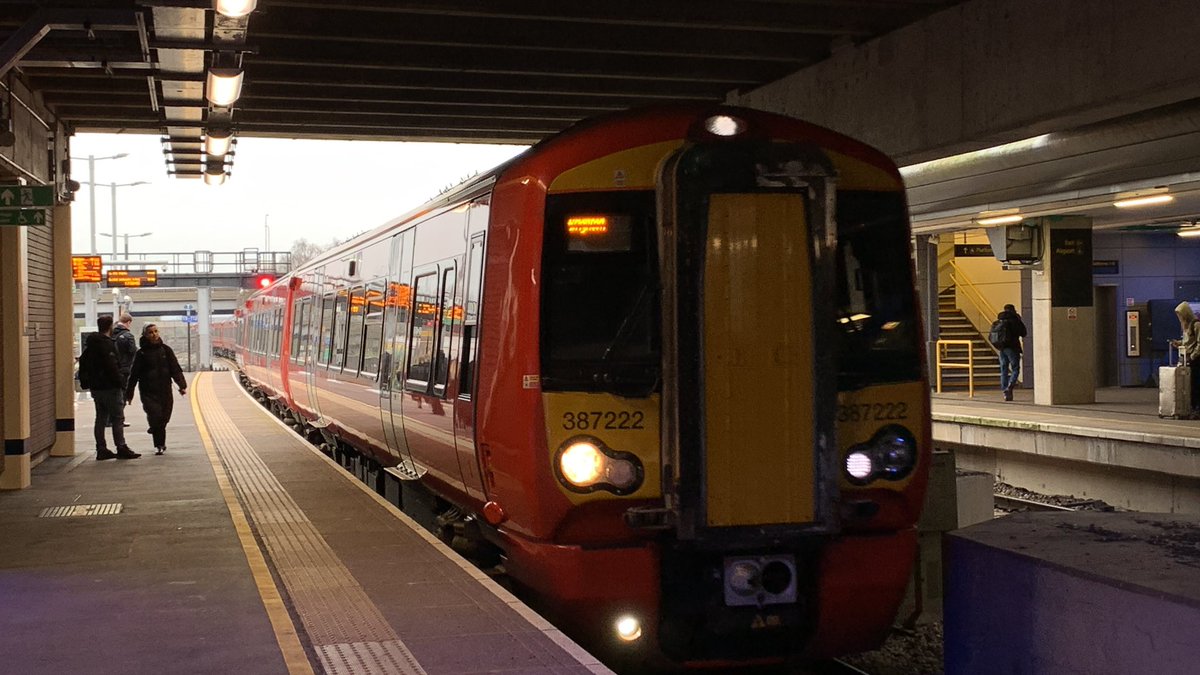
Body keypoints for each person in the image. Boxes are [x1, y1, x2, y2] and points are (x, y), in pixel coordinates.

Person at [83, 315, 141, 460]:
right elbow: (112, 366)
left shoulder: (91, 344)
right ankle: (121, 447)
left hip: (96, 388)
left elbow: (84, 362)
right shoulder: (107, 344)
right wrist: (121, 382)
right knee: (117, 417)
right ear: (110, 327)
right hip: (110, 387)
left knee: (100, 418)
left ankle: (101, 448)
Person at [125, 323, 188, 455]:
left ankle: (154, 429)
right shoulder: (141, 353)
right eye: (151, 332)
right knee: (155, 415)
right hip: (148, 391)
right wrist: (129, 393)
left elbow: (175, 369)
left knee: (164, 417)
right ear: (145, 335)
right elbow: (134, 374)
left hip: (165, 390)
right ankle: (159, 444)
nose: (154, 334)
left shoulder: (166, 350)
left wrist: (181, 385)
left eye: (156, 331)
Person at [1170, 301, 1200, 415]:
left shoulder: (1196, 325)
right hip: (1187, 358)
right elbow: (1187, 341)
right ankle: (1192, 407)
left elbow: (1199, 343)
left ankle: (1197, 408)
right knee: (1190, 384)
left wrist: (1193, 356)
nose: (1179, 318)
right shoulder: (1186, 326)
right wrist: (1179, 343)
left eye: (1180, 315)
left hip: (1195, 359)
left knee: (1196, 383)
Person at [996, 303, 1028, 401]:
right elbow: (1023, 333)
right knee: (1015, 368)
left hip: (1002, 347)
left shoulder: (1000, 319)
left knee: (1004, 369)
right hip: (1013, 347)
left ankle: (1004, 389)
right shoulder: (1015, 319)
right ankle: (1010, 386)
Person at [110, 312, 136, 428]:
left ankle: (109, 419)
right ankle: (119, 419)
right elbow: (133, 352)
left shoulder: (110, 334)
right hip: (124, 369)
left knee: (112, 394)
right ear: (129, 322)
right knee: (122, 395)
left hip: (111, 369)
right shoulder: (128, 336)